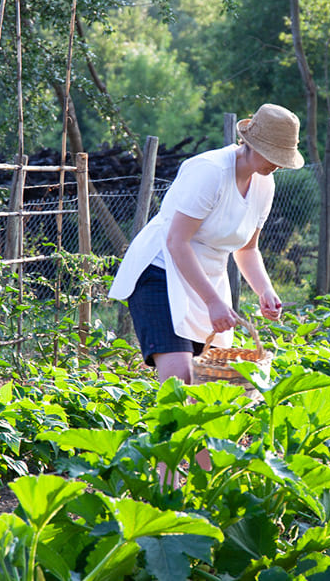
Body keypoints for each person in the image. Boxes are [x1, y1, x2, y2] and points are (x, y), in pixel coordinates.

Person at [108, 104, 303, 481]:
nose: (277, 165)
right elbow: (176, 241)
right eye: (273, 156)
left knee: (203, 393)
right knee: (180, 381)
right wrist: (214, 301)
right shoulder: (209, 172)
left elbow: (247, 249)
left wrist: (265, 290)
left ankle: (203, 482)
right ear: (250, 143)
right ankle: (169, 482)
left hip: (207, 278)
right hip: (160, 272)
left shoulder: (265, 184)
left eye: (283, 158)